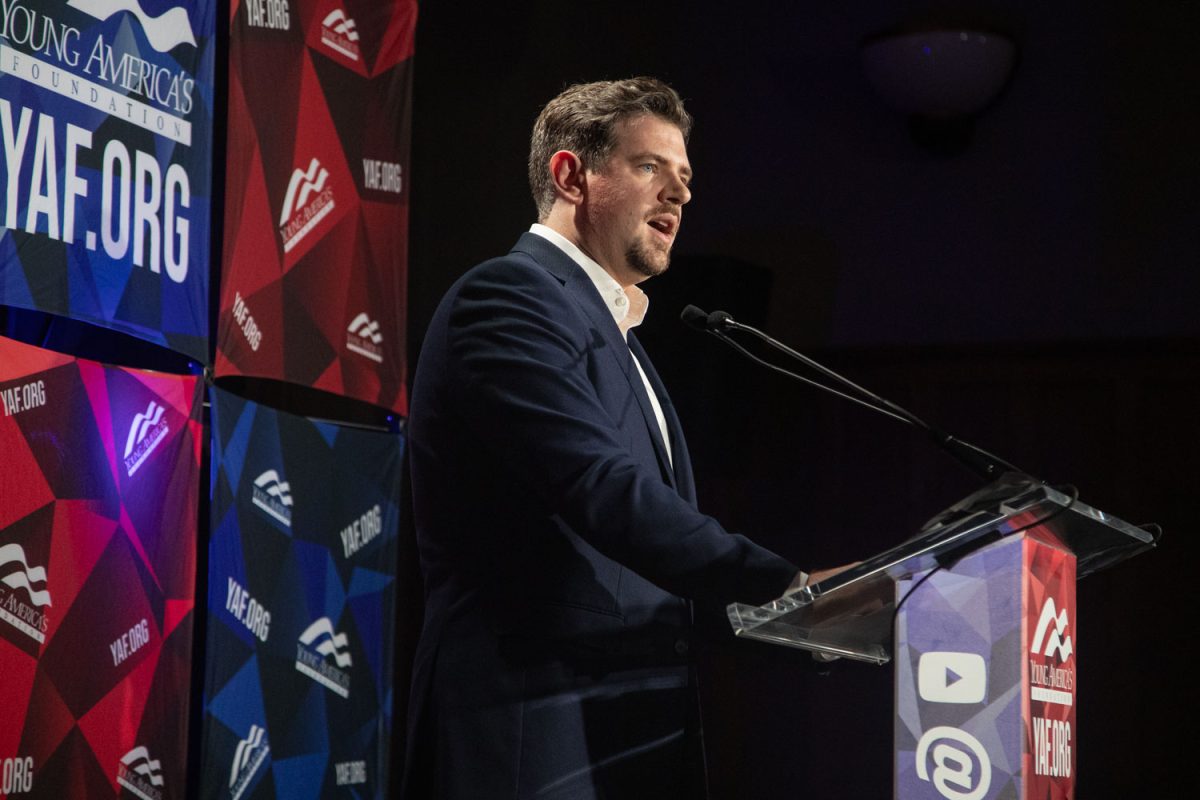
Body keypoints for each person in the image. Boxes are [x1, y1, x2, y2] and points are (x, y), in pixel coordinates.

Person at [403, 77, 842, 799]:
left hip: (623, 730)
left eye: (686, 177)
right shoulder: (507, 297)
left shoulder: (625, 343)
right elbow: (599, 486)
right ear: (572, 175)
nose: (680, 193)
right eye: (651, 167)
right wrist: (783, 585)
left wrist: (792, 627)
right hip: (529, 733)